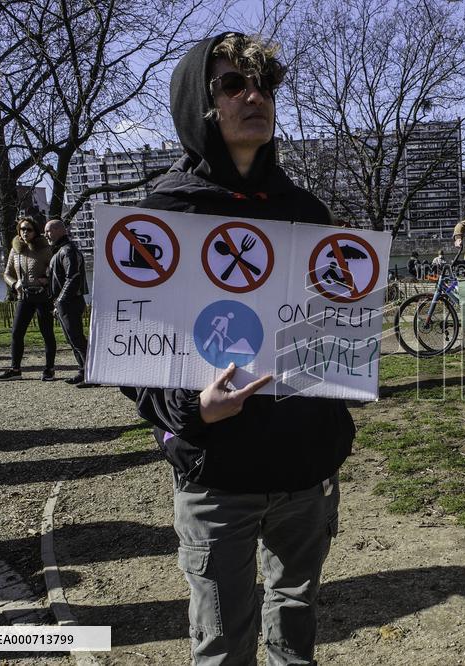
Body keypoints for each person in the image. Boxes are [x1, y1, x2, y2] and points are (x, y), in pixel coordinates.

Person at [119, 32, 355, 665]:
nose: (255, 96)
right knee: (223, 645)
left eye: (265, 85)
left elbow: (331, 326)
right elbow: (130, 349)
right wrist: (190, 410)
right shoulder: (164, 213)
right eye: (233, 85)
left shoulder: (307, 211)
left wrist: (340, 399)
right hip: (218, 476)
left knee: (296, 639)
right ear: (202, 102)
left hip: (305, 471)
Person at [0, 217, 56, 381]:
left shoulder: (45, 249)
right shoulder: (15, 250)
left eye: (29, 229)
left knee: (47, 333)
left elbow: (56, 271)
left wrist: (46, 279)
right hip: (24, 296)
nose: (25, 232)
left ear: (35, 231)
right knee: (16, 333)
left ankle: (49, 369)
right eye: (22, 229)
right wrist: (14, 283)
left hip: (42, 296)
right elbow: (6, 274)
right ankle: (15, 369)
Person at [44, 219, 90, 386]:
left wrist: (60, 301)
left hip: (70, 302)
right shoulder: (62, 250)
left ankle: (91, 374)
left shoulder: (68, 250)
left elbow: (73, 278)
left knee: (77, 339)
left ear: (58, 230)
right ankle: (83, 371)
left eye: (48, 231)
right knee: (72, 339)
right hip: (65, 302)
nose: (45, 235)